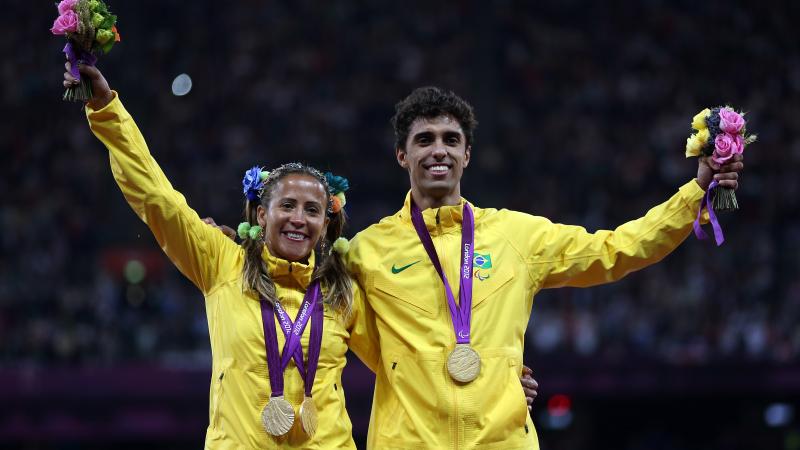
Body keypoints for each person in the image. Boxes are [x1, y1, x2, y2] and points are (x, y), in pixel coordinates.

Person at [63, 62, 541, 448]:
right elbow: (156, 198)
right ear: (261, 214)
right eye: (286, 206)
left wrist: (496, 386)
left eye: (312, 210)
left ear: (327, 225)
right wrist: (107, 110)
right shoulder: (220, 262)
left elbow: (411, 360)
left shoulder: (342, 291)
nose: (298, 218)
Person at [343, 86, 744, 449]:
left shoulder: (517, 236)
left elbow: (619, 249)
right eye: (423, 140)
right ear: (402, 155)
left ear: (467, 154)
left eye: (451, 140)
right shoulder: (367, 251)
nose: (438, 150)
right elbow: (320, 319)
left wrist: (694, 193)